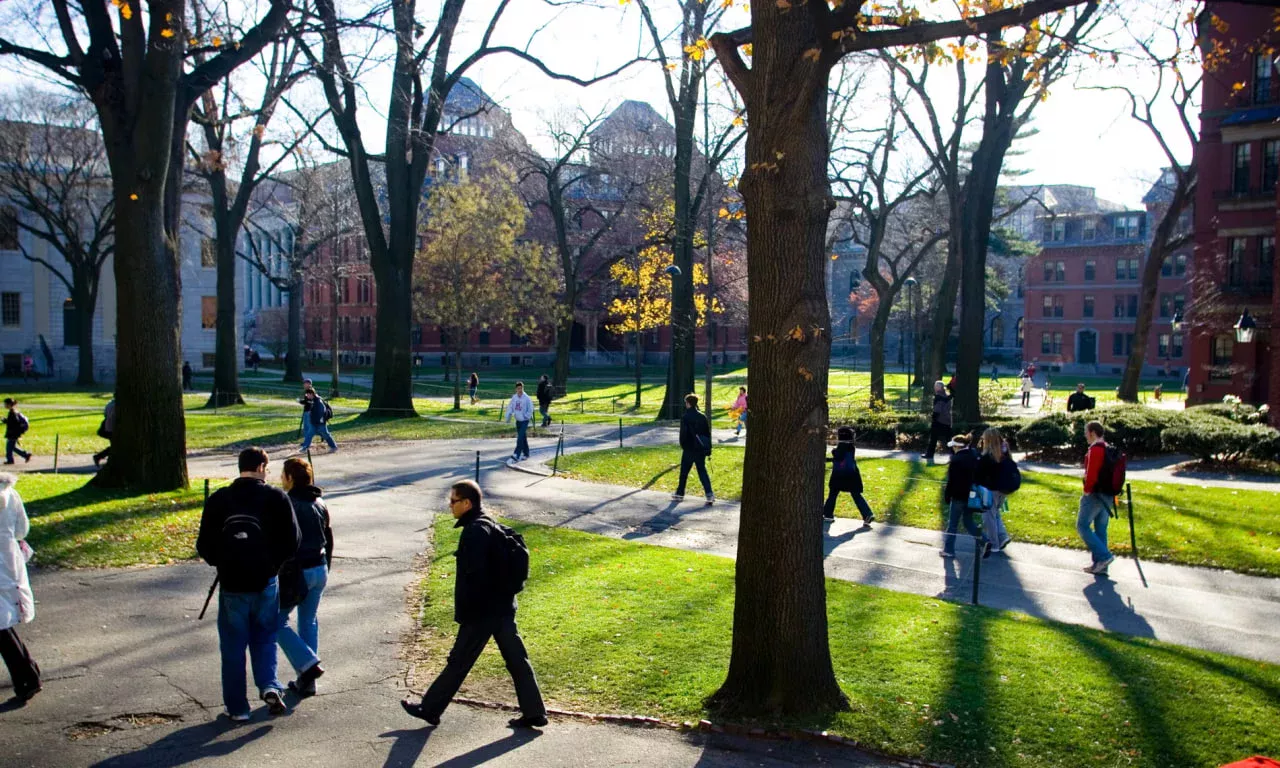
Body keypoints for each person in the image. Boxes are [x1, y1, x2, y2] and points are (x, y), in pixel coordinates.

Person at [402, 480, 547, 729]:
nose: (450, 506)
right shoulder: (489, 524)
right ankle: (534, 712)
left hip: (482, 612)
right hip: (502, 607)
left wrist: (468, 612)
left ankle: (430, 708)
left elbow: (476, 576)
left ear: (467, 503)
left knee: (459, 661)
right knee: (516, 659)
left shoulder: (474, 532)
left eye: (453, 501)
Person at [196, 447, 301, 721]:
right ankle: (269, 686)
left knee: (232, 646)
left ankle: (237, 708)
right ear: (262, 467)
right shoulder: (275, 497)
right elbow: (293, 541)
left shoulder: (220, 499)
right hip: (265, 581)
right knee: (265, 637)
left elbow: (204, 545)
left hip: (232, 583)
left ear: (240, 466)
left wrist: (223, 562)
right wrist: (273, 565)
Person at [277, 457, 332, 699]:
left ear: (289, 478)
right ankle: (307, 681)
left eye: (283, 474)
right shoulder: (319, 502)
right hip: (319, 568)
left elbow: (282, 541)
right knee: (308, 620)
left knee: (275, 620)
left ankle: (308, 664)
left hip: (296, 571)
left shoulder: (287, 504)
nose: (280, 478)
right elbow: (328, 536)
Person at [0, 472, 40, 701]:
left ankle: (27, 677)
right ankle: (28, 675)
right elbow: (21, 530)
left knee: (2, 629)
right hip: (8, 561)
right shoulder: (10, 493)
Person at [1078, 421, 1116, 575]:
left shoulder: (1095, 450)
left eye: (1086, 432)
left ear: (1093, 433)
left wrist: (1087, 491)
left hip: (1094, 494)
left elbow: (1092, 474)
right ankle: (1100, 565)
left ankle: (1105, 556)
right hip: (1107, 495)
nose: (1085, 435)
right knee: (1101, 529)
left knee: (1082, 526)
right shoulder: (1107, 448)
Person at [941, 434, 987, 559]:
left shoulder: (955, 460)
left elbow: (952, 481)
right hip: (972, 496)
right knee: (968, 522)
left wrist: (947, 495)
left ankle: (948, 550)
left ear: (956, 447)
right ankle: (984, 540)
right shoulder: (975, 456)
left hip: (958, 496)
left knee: (953, 524)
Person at [823, 427, 874, 525]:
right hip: (852, 474)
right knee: (856, 495)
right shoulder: (851, 446)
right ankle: (867, 514)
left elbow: (839, 457)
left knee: (833, 493)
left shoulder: (842, 445)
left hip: (840, 475)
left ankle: (828, 514)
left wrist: (832, 454)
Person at [975, 428, 1013, 553]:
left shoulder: (988, 456)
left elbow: (979, 473)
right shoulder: (1004, 452)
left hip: (990, 490)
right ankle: (1002, 536)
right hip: (1003, 489)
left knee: (988, 517)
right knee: (995, 514)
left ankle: (994, 544)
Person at [673, 393, 714, 505]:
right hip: (700, 449)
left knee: (684, 473)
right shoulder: (702, 416)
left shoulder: (685, 417)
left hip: (689, 449)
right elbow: (707, 434)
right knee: (702, 472)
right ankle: (709, 494)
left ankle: (680, 493)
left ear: (688, 403)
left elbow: (683, 435)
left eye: (686, 402)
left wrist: (684, 446)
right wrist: (708, 448)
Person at [921, 381, 953, 462]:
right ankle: (953, 454)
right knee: (948, 439)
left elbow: (937, 410)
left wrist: (933, 418)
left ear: (939, 388)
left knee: (933, 438)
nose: (934, 388)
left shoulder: (939, 397)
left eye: (936, 386)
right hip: (947, 420)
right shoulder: (947, 396)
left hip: (939, 420)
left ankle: (929, 454)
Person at [300, 388, 338, 453]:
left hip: (320, 423)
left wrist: (320, 419)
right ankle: (304, 448)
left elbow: (322, 411)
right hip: (314, 422)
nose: (306, 396)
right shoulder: (313, 400)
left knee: (326, 435)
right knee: (309, 434)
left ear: (311, 394)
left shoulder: (318, 401)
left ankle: (334, 447)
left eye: (307, 394)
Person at [505, 382, 534, 462]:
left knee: (520, 437)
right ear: (516, 389)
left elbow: (531, 408)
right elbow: (510, 407)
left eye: (521, 388)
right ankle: (526, 453)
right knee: (523, 438)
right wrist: (508, 416)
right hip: (518, 420)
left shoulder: (527, 398)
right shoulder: (514, 397)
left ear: (523, 388)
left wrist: (526, 416)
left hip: (525, 421)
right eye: (518, 389)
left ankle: (516, 454)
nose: (520, 390)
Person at [3, 399, 31, 465]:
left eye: (5, 404)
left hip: (13, 433)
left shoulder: (12, 412)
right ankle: (26, 455)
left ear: (9, 404)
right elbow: (13, 422)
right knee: (12, 447)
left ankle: (10, 460)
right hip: (13, 433)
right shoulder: (13, 411)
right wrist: (6, 421)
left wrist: (6, 421)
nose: (4, 405)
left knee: (9, 447)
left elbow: (15, 422)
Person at [93, 398, 115, 468]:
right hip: (112, 429)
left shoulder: (109, 404)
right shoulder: (117, 406)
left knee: (115, 446)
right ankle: (99, 457)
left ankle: (100, 457)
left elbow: (105, 415)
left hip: (107, 428)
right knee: (117, 446)